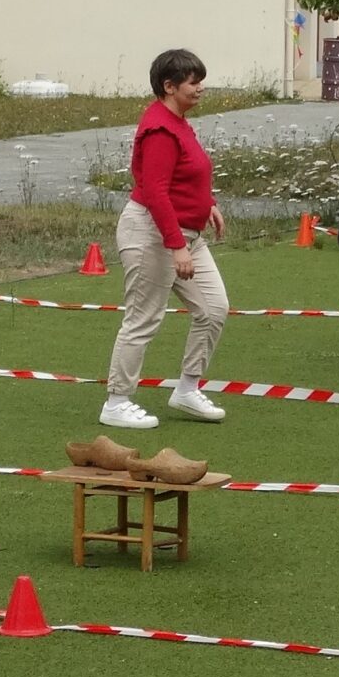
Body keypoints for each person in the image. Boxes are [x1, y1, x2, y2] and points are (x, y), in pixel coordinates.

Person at [100, 47, 228, 432]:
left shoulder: (179, 121)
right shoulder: (160, 128)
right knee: (143, 318)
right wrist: (176, 246)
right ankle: (117, 402)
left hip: (185, 232)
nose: (200, 88)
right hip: (151, 233)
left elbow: (186, 173)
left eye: (201, 81)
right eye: (193, 82)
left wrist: (207, 203)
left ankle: (187, 389)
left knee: (213, 309)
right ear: (169, 87)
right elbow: (155, 190)